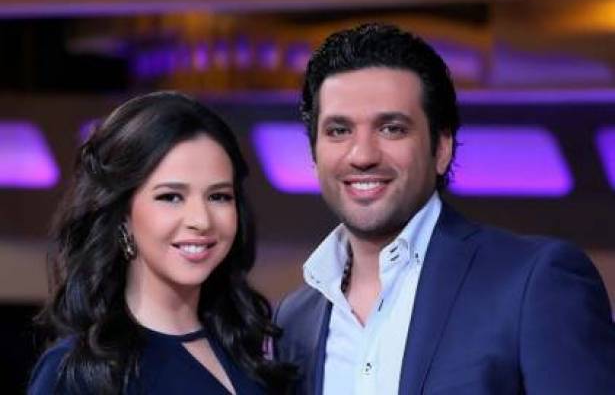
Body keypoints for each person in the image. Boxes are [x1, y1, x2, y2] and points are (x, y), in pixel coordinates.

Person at [273, 23, 615, 394]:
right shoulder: (294, 321)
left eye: (391, 128)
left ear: (441, 148)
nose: (362, 155)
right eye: (339, 131)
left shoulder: (535, 283)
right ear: (314, 154)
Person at [29, 91, 294, 394]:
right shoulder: (80, 371)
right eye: (171, 197)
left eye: (219, 196)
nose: (201, 220)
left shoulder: (251, 355)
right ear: (123, 214)